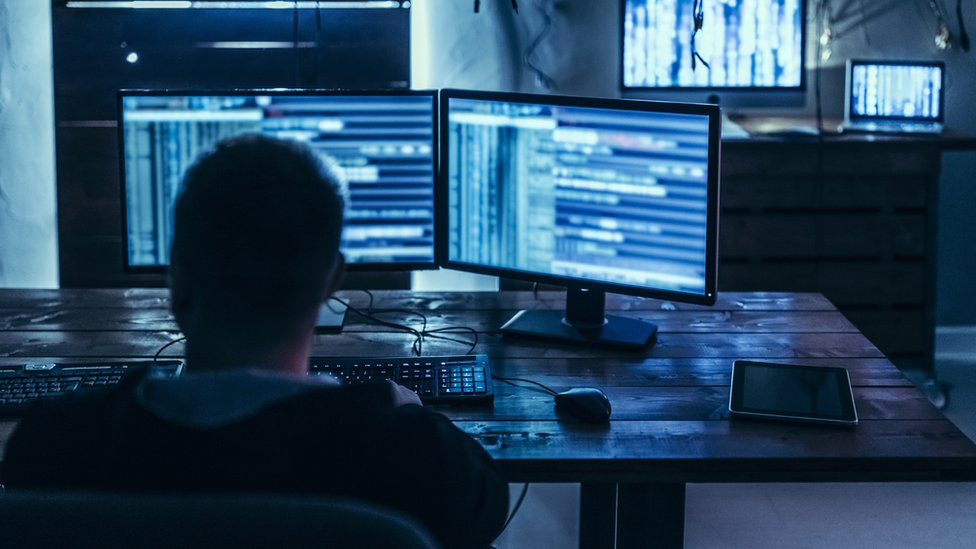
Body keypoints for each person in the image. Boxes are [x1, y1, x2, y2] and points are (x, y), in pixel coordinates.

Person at [2, 135, 509, 548]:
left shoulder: (52, 444)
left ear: (176, 273)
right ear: (331, 280)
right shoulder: (422, 463)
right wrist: (411, 416)